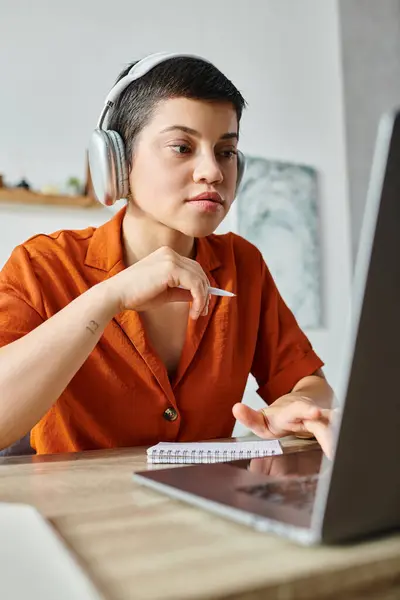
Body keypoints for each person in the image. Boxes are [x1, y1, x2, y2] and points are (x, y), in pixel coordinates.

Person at [0, 53, 334, 457]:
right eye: (181, 147)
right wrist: (109, 297)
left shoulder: (243, 265)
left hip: (208, 505)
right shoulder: (42, 266)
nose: (212, 171)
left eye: (226, 151)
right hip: (79, 511)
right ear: (117, 162)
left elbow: (312, 386)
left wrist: (297, 408)